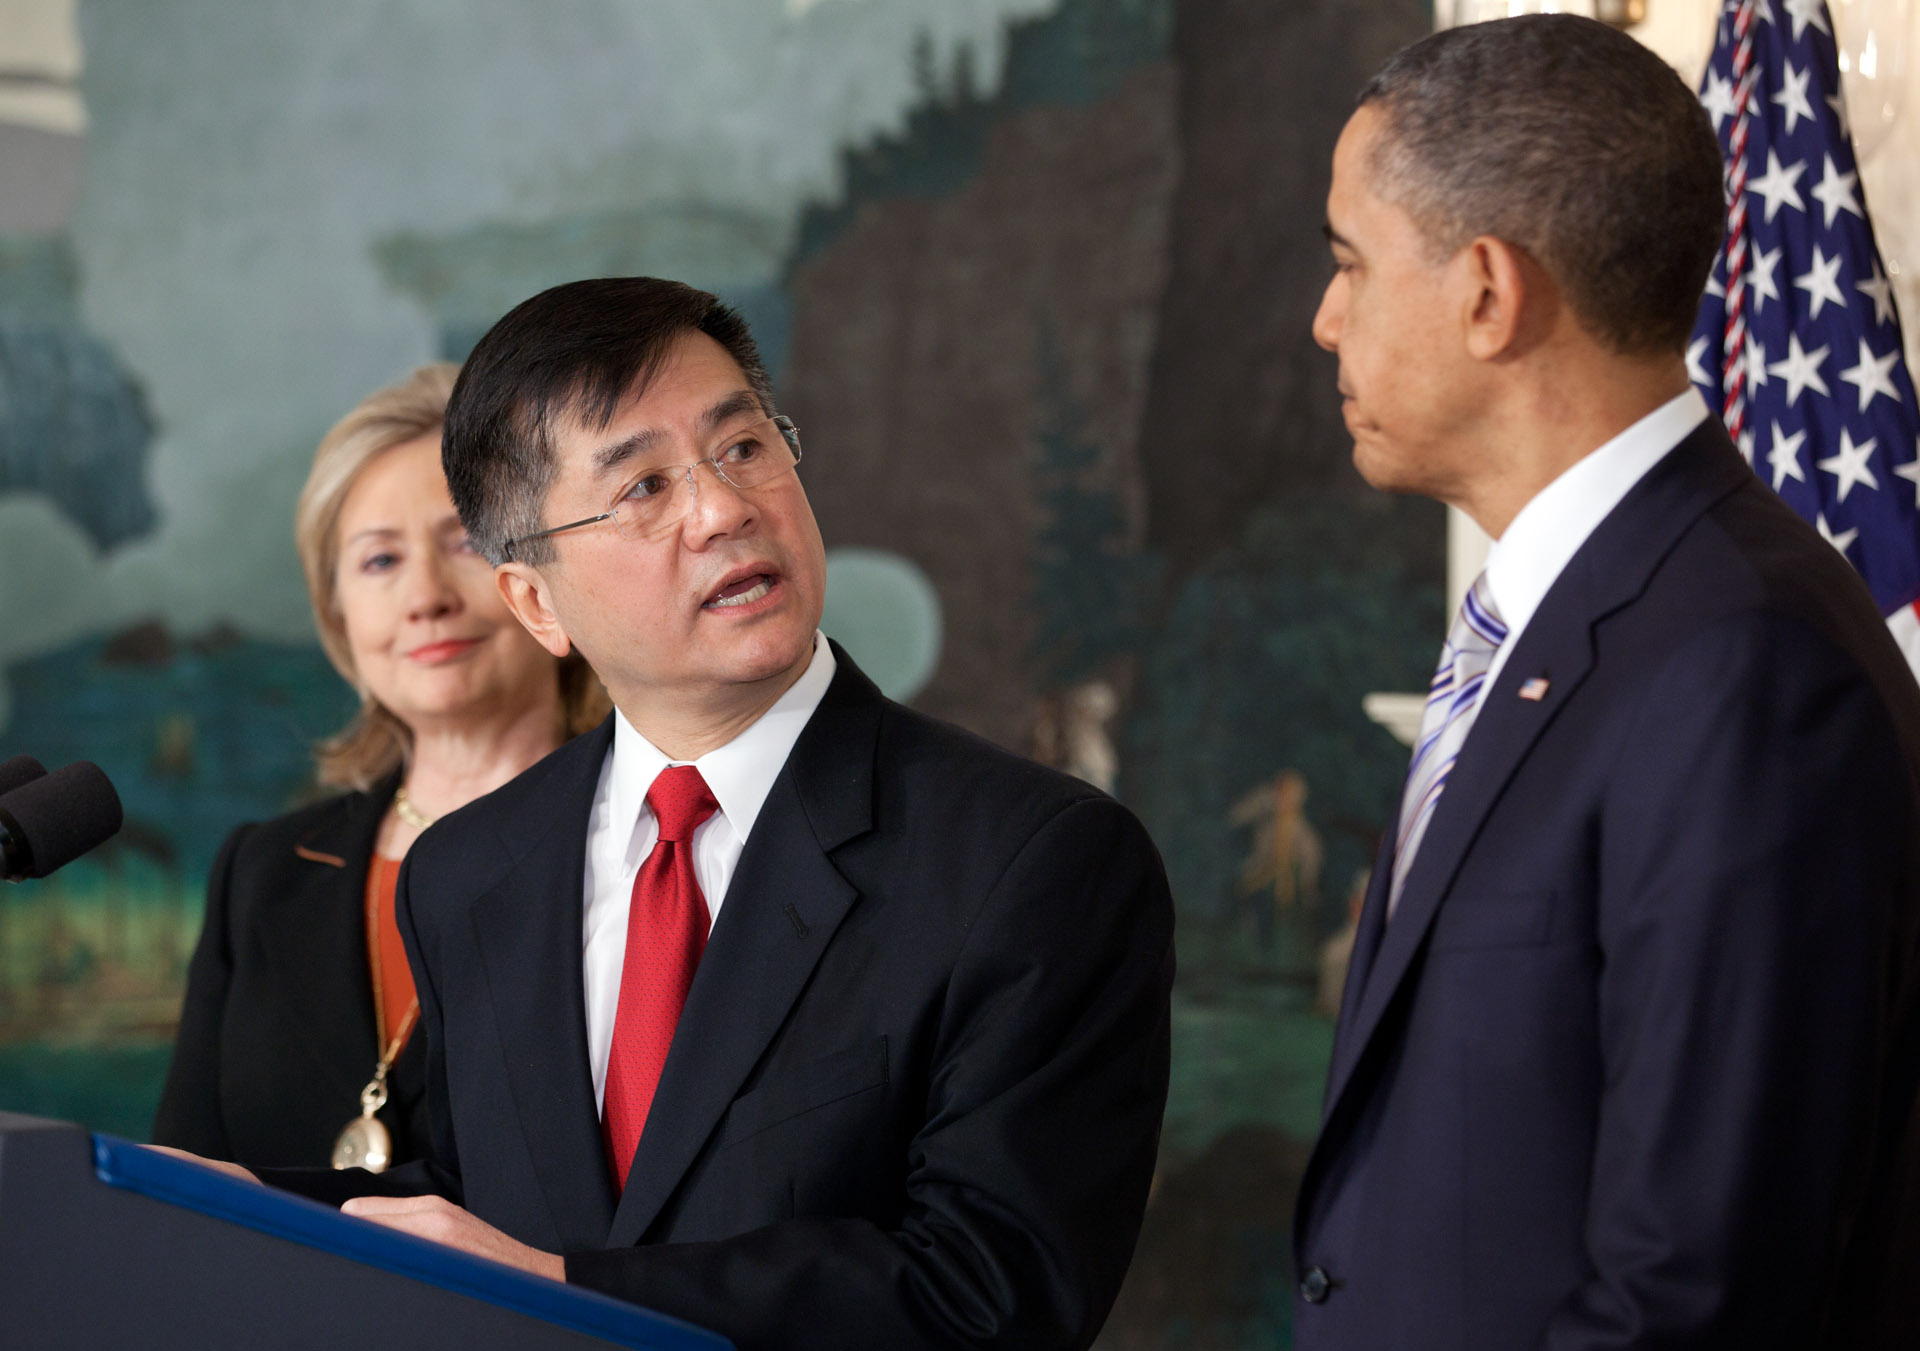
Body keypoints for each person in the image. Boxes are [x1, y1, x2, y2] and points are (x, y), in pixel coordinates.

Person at [236, 278, 1174, 1351]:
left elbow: (990, 1290)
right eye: (641, 485)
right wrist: (236, 1202)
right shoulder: (470, 871)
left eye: (743, 448)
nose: (723, 508)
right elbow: (474, 1195)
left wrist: (565, 1288)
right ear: (536, 601)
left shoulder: (1033, 861)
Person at [1295, 16, 1920, 1349]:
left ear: (1485, 290)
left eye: (1351, 262)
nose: (1325, 317)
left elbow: (1698, 1292)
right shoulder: (1570, 624)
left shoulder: (1740, 667)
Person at [153, 364, 606, 1170]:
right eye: (378, 561)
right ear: (339, 617)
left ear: (545, 575)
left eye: (464, 540)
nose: (423, 597)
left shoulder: (646, 845)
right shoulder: (259, 872)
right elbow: (178, 1181)